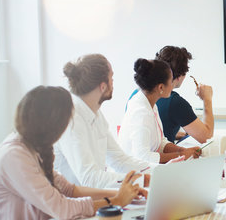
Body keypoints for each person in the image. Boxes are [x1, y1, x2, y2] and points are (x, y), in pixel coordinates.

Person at [0, 86, 145, 220]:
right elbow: (61, 208)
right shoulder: (14, 155)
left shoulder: (31, 146)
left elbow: (69, 190)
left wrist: (122, 193)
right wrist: (115, 201)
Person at [54, 54, 168, 188]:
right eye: (111, 78)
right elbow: (89, 178)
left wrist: (162, 171)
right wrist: (142, 180)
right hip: (74, 203)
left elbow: (120, 159)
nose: (113, 82)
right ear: (103, 86)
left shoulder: (95, 113)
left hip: (95, 195)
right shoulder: (71, 119)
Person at [118, 58, 201, 163]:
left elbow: (159, 142)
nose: (173, 86)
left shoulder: (150, 103)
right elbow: (143, 157)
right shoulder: (141, 113)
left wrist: (182, 150)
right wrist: (181, 155)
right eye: (171, 81)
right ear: (161, 87)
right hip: (134, 174)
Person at [154, 46, 214, 143]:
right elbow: (206, 138)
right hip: (161, 157)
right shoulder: (175, 102)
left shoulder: (139, 93)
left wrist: (178, 134)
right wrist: (207, 99)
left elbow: (155, 130)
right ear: (179, 76)